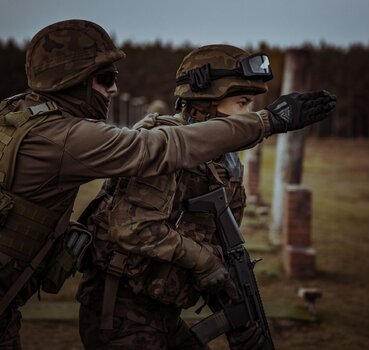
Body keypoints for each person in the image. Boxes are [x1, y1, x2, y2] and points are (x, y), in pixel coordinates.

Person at [0, 20, 301, 349]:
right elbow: (153, 163)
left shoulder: (20, 118)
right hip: (126, 315)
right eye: (106, 79)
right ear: (71, 81)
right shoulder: (60, 136)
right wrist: (267, 121)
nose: (114, 89)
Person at [76, 44, 336, 349]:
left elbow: (215, 245)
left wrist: (237, 317)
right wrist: (206, 262)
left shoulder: (223, 161)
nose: (249, 113)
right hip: (122, 314)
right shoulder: (164, 148)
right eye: (242, 102)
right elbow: (132, 228)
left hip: (163, 313)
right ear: (205, 101)